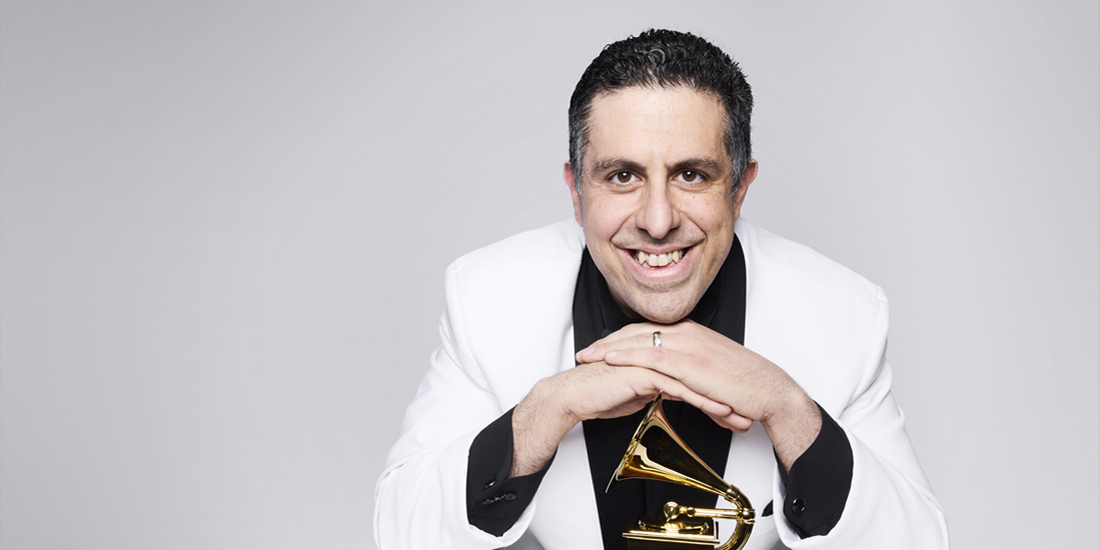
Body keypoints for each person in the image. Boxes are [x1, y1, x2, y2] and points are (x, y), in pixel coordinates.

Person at [374, 30, 948, 550]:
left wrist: (788, 408)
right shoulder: (486, 298)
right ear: (576, 193)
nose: (656, 220)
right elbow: (402, 530)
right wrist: (545, 411)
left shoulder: (845, 315)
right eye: (622, 176)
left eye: (691, 174)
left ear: (740, 189)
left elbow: (920, 542)